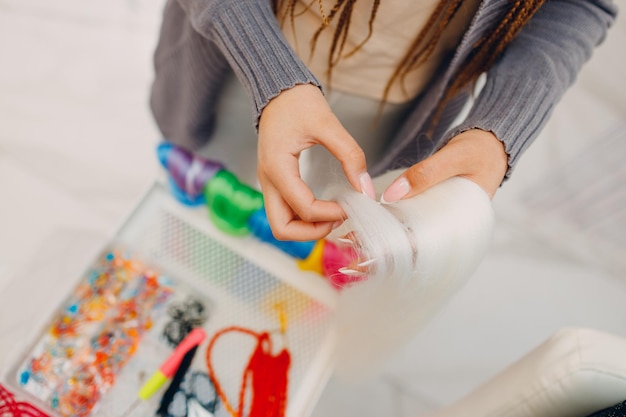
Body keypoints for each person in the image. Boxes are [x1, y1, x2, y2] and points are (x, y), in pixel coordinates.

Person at [150, 0, 617, 242]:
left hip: (404, 100)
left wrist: (500, 129)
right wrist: (268, 71)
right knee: (211, 180)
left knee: (333, 225)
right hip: (236, 54)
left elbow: (577, 7)